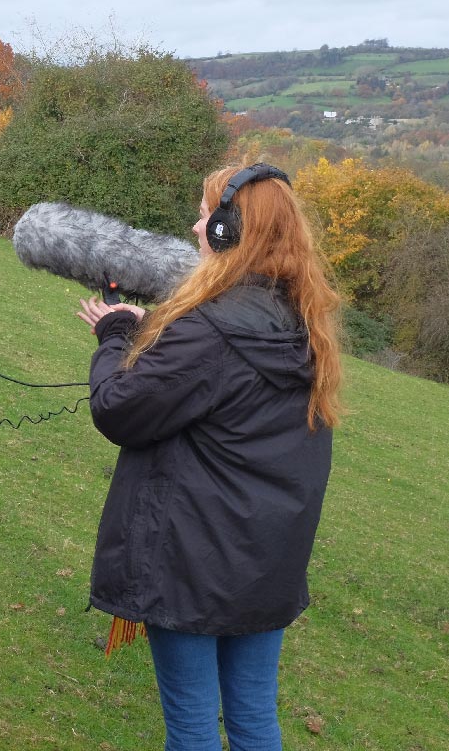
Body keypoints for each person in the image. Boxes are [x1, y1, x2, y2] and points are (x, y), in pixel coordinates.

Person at [75, 162, 343, 751]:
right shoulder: (302, 322)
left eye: (205, 216)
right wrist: (156, 336)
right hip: (263, 562)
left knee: (193, 727)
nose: (197, 229)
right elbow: (205, 382)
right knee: (252, 719)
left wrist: (116, 336)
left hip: (191, 563)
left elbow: (120, 409)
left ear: (228, 231)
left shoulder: (211, 330)